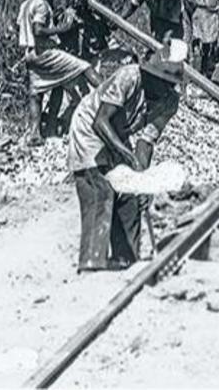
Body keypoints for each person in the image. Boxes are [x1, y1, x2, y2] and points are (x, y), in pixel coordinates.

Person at [67, 40, 185, 273]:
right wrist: (124, 154)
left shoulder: (169, 102)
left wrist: (141, 179)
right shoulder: (129, 77)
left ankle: (125, 257)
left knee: (130, 195)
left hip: (118, 133)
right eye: (159, 81)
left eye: (169, 84)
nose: (163, 88)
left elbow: (146, 141)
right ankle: (92, 261)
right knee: (99, 187)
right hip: (89, 128)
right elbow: (100, 121)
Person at [17, 0, 102, 146]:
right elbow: (38, 30)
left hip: (29, 54)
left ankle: (37, 133)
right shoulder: (41, 5)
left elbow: (24, 28)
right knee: (83, 67)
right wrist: (63, 28)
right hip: (44, 52)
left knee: (38, 92)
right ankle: (112, 94)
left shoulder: (26, 4)